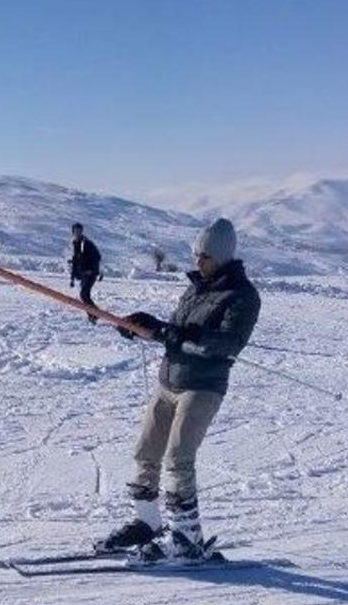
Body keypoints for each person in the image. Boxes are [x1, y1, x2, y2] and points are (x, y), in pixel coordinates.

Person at [97, 217, 261, 563]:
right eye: (196, 255)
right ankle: (147, 523)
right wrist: (144, 326)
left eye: (205, 256)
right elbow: (175, 330)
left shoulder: (243, 296)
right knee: (146, 452)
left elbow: (225, 344)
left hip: (202, 387)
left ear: (222, 256)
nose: (198, 262)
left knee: (178, 458)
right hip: (168, 380)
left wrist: (174, 334)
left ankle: (187, 537)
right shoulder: (197, 287)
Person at [68, 222, 102, 323]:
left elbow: (97, 257)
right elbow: (75, 261)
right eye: (75, 231)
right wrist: (72, 278)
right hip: (83, 274)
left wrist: (92, 270)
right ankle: (93, 314)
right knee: (84, 295)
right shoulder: (75, 244)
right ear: (73, 232)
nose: (77, 233)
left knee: (83, 294)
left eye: (79, 231)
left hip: (90, 274)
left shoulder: (86, 243)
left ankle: (95, 313)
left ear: (82, 232)